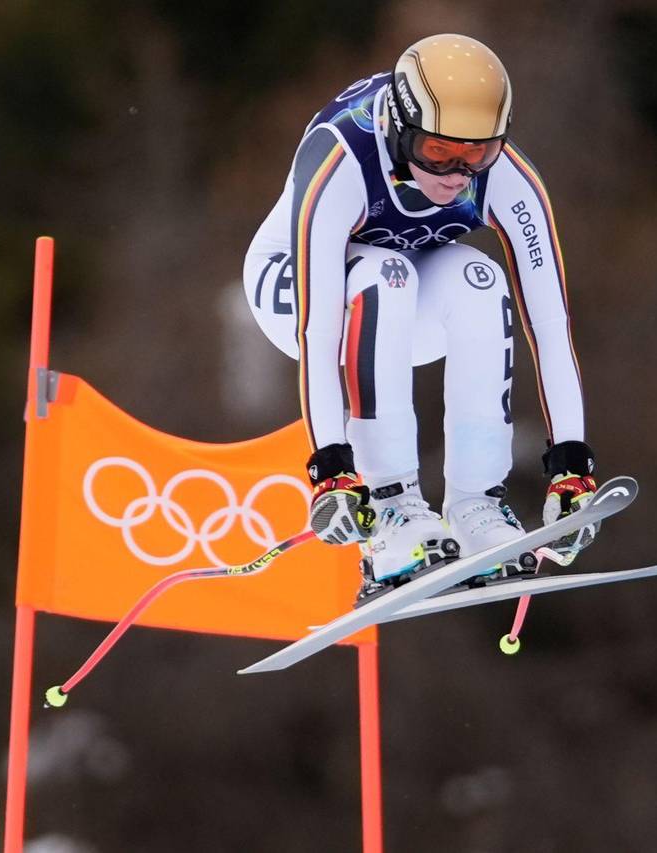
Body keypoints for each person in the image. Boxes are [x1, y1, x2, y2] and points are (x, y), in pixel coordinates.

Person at [244, 34, 597, 603]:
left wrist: (571, 464)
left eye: (477, 154)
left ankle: (478, 506)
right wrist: (331, 470)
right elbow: (318, 331)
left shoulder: (508, 177)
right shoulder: (343, 157)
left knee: (479, 277)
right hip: (293, 288)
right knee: (385, 273)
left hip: (401, 307)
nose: (457, 173)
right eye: (437, 151)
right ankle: (393, 510)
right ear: (398, 129)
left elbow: (550, 324)